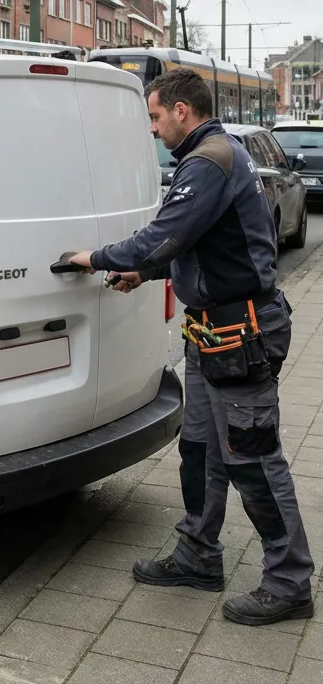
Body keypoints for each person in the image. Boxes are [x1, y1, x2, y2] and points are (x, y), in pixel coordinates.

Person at [68, 67, 314, 627]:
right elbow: (198, 242)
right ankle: (198, 554)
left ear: (183, 111)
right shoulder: (214, 155)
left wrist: (99, 259)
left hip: (241, 335)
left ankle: (290, 580)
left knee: (252, 458)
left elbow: (164, 235)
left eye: (155, 116)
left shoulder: (209, 161)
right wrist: (147, 275)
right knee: (200, 448)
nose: (152, 129)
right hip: (212, 332)